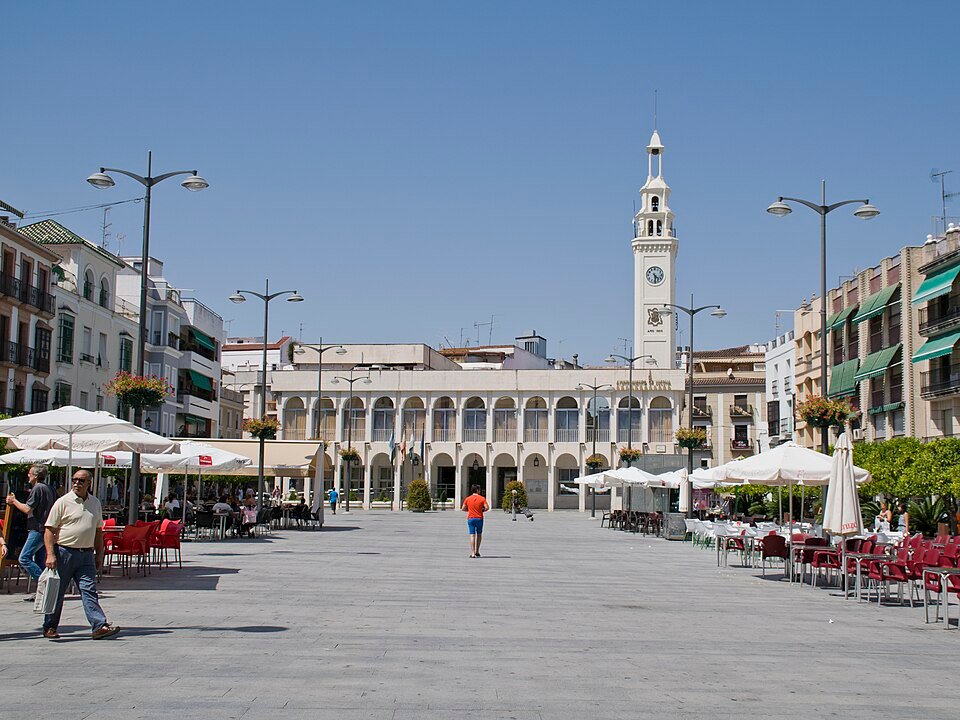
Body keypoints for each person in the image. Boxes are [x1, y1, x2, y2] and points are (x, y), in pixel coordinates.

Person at [42, 470, 119, 640]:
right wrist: (50, 554)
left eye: (81, 480)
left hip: (86, 555)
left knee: (89, 590)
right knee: (57, 591)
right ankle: (50, 627)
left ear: (89, 483)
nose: (77, 483)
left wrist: (100, 554)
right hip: (65, 552)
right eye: (75, 480)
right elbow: (49, 530)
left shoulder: (95, 503)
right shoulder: (63, 502)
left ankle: (99, 626)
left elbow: (98, 531)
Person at [6, 465, 56, 601]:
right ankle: (44, 591)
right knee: (40, 560)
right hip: (43, 528)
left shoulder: (38, 488)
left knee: (24, 558)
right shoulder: (48, 488)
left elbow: (27, 509)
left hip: (38, 529)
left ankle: (45, 586)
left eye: (29, 473)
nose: (28, 476)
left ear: (35, 475)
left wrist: (14, 501)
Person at [461, 485, 489, 558]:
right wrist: (481, 510)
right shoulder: (482, 498)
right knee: (479, 534)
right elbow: (487, 508)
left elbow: (463, 508)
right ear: (477, 490)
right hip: (479, 518)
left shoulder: (468, 499)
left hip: (471, 518)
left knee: (472, 535)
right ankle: (477, 551)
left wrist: (469, 510)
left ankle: (472, 553)